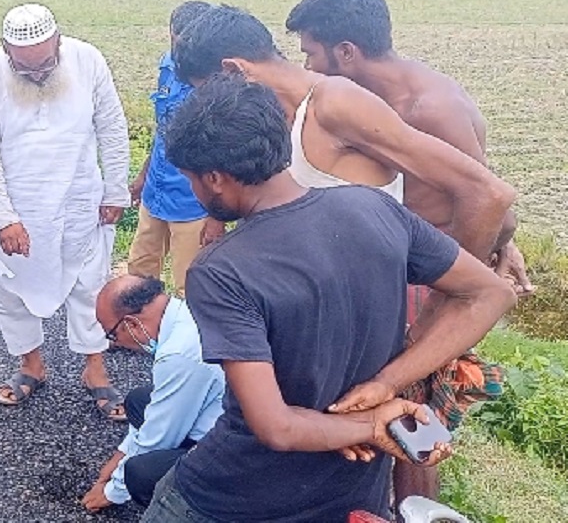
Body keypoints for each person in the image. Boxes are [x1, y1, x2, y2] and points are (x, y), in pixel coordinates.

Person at [141, 73, 516, 523]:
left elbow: (275, 426)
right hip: (353, 497)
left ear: (216, 178)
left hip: (235, 500)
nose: (196, 194)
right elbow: (489, 292)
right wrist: (388, 384)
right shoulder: (372, 207)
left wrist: (371, 425)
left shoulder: (221, 270)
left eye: (192, 181)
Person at [172, 4, 515, 262]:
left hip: (377, 310)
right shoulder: (266, 119)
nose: (210, 102)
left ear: (233, 69)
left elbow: (487, 193)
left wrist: (450, 300)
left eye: (208, 89)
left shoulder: (335, 102)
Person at [285, 0, 534, 298]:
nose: (307, 66)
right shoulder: (376, 99)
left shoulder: (429, 108)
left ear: (346, 52)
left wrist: (454, 297)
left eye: (311, 54)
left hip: (423, 280)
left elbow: (496, 209)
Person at [0, 4, 132, 421]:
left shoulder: (87, 60)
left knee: (88, 285)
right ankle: (30, 365)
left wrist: (115, 190)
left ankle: (94, 369)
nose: (37, 74)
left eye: (45, 63)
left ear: (58, 42)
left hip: (79, 199)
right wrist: (5, 217)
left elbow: (112, 126)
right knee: (11, 288)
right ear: (6, 51)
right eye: (25, 68)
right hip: (17, 206)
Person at [81, 274, 224, 513]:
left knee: (141, 474)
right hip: (216, 414)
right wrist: (121, 455)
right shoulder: (185, 312)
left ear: (132, 324)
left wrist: (112, 491)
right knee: (138, 400)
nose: (113, 344)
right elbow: (159, 409)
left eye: (112, 335)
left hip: (236, 448)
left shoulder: (180, 354)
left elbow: (159, 437)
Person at [128, 1, 222, 293]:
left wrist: (217, 218)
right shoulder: (167, 67)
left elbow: (225, 155)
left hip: (193, 203)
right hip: (156, 192)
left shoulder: (215, 83)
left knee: (189, 286)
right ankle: (141, 336)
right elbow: (163, 129)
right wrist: (144, 175)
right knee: (139, 270)